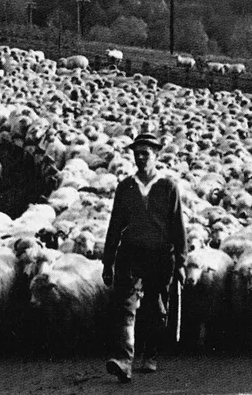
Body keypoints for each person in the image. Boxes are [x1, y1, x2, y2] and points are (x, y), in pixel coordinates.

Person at [102, 132, 187, 383]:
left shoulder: (168, 186)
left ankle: (150, 353)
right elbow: (115, 224)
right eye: (137, 153)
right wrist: (108, 261)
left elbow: (177, 226)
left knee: (155, 307)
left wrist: (181, 262)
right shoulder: (126, 187)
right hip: (130, 254)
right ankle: (124, 361)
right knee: (126, 307)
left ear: (156, 155)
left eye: (145, 153)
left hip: (161, 256)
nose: (140, 158)